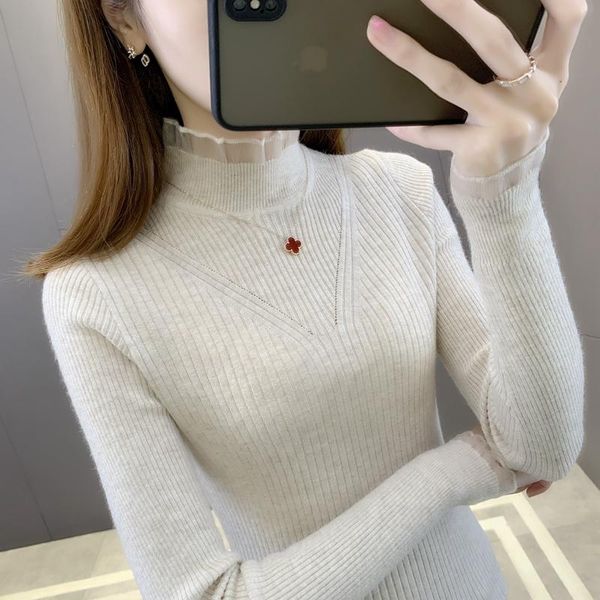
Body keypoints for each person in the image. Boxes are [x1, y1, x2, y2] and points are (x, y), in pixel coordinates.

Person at [28, 0, 587, 598]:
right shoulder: (97, 295)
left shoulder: (398, 190)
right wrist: (455, 473)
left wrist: (505, 192)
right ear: (124, 18)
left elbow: (541, 447)